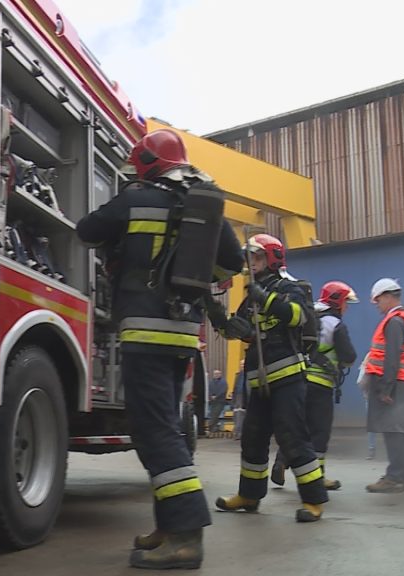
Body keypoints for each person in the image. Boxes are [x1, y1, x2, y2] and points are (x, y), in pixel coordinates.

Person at [76, 129, 244, 570]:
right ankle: (169, 526)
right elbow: (232, 264)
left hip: (144, 333)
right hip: (184, 335)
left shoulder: (136, 198)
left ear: (147, 162)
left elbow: (86, 232)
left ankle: (187, 537)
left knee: (157, 435)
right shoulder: (204, 203)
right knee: (165, 427)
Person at [214, 234, 329, 523]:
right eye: (250, 257)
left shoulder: (290, 287)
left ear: (273, 258)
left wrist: (265, 298)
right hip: (258, 380)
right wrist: (221, 321)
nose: (251, 262)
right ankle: (249, 495)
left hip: (287, 376)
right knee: (252, 439)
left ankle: (314, 501)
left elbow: (298, 316)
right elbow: (241, 332)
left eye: (258, 256)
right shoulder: (251, 293)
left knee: (293, 437)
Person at [271, 281, 358, 490]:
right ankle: (317, 477)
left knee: (299, 427)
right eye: (346, 302)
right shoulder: (336, 325)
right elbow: (349, 356)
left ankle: (280, 462)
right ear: (338, 302)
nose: (346, 306)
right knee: (319, 431)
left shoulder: (309, 317)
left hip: (299, 381)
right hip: (321, 386)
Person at [364, 278, 404, 493]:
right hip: (403, 382)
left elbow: (392, 357)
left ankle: (394, 476)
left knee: (393, 431)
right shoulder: (403, 319)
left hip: (393, 383)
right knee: (400, 430)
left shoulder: (395, 321)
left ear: (388, 297)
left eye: (378, 300)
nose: (377, 305)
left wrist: (386, 389)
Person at [232, 360, 247, 440]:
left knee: (242, 416)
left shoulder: (248, 374)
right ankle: (237, 433)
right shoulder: (238, 375)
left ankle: (241, 433)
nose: (242, 366)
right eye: (241, 364)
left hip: (245, 397)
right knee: (237, 415)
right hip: (238, 397)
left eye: (243, 364)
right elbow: (235, 387)